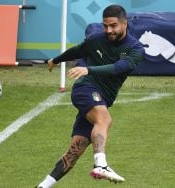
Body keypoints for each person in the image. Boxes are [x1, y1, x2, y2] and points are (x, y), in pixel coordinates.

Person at [36, 4, 144, 188]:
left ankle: (43, 185)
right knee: (104, 119)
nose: (108, 30)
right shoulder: (96, 39)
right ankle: (101, 164)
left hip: (101, 98)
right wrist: (55, 59)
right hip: (85, 90)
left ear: (125, 24)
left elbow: (119, 68)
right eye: (105, 25)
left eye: (113, 26)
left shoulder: (135, 48)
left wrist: (89, 68)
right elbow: (78, 50)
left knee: (75, 150)